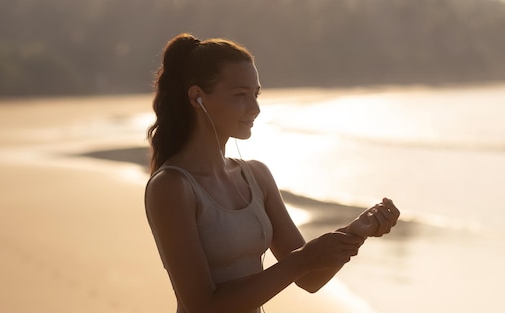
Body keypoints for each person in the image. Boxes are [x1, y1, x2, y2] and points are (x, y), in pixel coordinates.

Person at [144, 33, 401, 313]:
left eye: (255, 94)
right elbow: (204, 305)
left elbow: (310, 278)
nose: (255, 108)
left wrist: (356, 232)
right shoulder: (171, 187)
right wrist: (300, 261)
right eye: (240, 95)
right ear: (198, 97)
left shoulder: (256, 175)